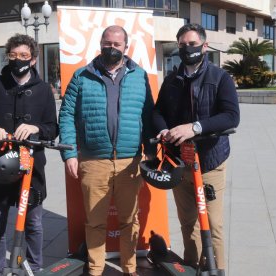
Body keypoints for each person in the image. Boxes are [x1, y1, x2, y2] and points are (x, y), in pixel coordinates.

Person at [59, 25, 156, 276]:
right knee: (94, 222)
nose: (111, 48)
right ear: (100, 43)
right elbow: (67, 115)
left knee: (129, 221)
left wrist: (152, 152)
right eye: (107, 43)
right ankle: (95, 270)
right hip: (93, 161)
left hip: (130, 162)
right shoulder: (82, 76)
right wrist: (69, 153)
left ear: (126, 46)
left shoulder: (139, 75)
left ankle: (130, 269)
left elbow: (149, 115)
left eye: (116, 44)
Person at [152, 23, 240, 272]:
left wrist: (195, 127)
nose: (187, 49)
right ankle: (191, 266)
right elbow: (158, 111)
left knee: (212, 224)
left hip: (210, 160)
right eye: (182, 45)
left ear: (204, 45)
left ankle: (217, 269)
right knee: (187, 222)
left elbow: (231, 116)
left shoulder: (220, 77)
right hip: (180, 162)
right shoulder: (172, 80)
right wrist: (163, 129)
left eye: (191, 44)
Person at [0, 34, 58, 275]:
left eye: (24, 56)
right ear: (7, 56)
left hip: (32, 169)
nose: (18, 60)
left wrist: (36, 128)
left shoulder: (43, 90)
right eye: (13, 55)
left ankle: (35, 268)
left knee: (33, 224)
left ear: (34, 59)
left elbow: (53, 127)